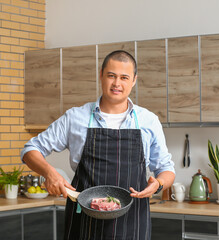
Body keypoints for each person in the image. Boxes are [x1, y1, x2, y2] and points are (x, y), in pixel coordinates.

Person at [21, 50, 175, 239]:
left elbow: (166, 169)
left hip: (133, 220)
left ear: (134, 80)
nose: (117, 83)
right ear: (101, 75)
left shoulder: (148, 121)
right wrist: (49, 173)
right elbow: (30, 149)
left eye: (124, 77)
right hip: (85, 221)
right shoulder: (76, 117)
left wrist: (158, 184)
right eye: (111, 75)